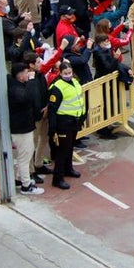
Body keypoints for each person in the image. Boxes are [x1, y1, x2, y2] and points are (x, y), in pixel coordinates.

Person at [7, 62, 44, 195]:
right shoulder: (17, 90)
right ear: (21, 75)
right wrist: (32, 81)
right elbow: (28, 96)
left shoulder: (14, 84)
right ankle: (26, 186)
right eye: (26, 72)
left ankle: (19, 179)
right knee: (25, 157)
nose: (28, 74)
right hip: (21, 128)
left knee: (25, 155)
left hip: (23, 126)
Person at [47, 61, 84, 190]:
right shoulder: (57, 87)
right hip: (63, 122)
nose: (68, 75)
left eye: (70, 72)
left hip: (75, 120)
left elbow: (79, 100)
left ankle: (68, 169)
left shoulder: (75, 82)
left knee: (70, 148)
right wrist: (52, 128)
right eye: (65, 73)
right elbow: (52, 110)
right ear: (60, 73)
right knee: (62, 151)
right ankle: (57, 178)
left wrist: (82, 116)